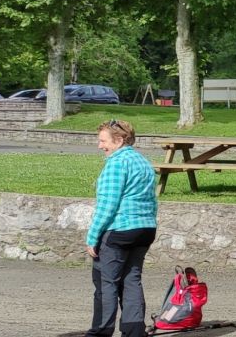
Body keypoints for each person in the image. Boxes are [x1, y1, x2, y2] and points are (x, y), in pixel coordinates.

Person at [86, 120, 159, 337]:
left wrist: (92, 236)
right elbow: (153, 200)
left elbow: (107, 205)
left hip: (120, 230)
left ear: (118, 140)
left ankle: (100, 331)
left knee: (106, 283)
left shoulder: (116, 163)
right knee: (132, 280)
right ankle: (134, 331)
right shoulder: (143, 161)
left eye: (103, 141)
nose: (100, 146)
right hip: (145, 229)